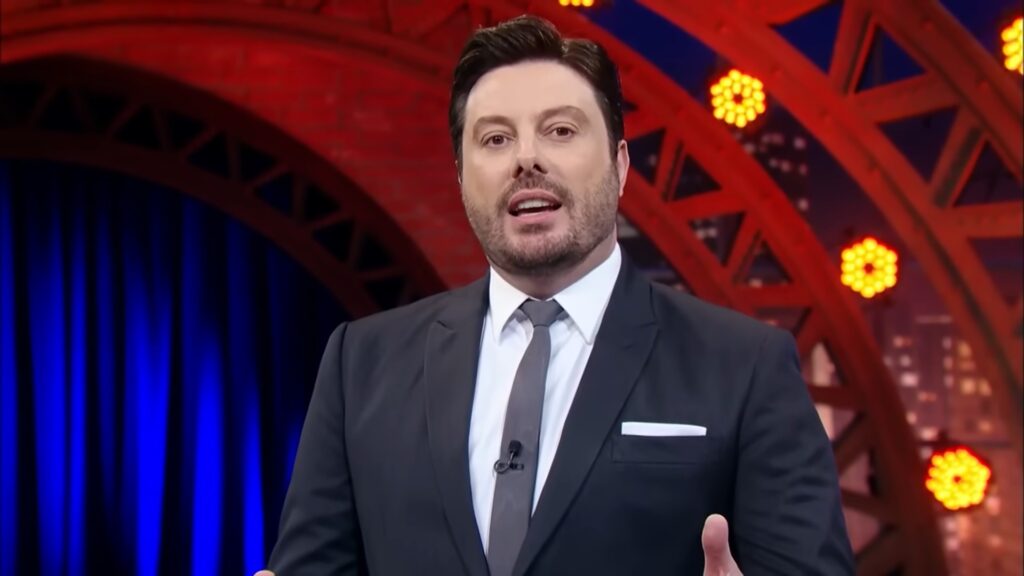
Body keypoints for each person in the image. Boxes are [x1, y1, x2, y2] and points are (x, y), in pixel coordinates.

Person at [257, 15, 854, 576]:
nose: (526, 159)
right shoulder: (362, 364)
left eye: (560, 131)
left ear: (621, 165)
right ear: (461, 177)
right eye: (495, 139)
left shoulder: (744, 366)